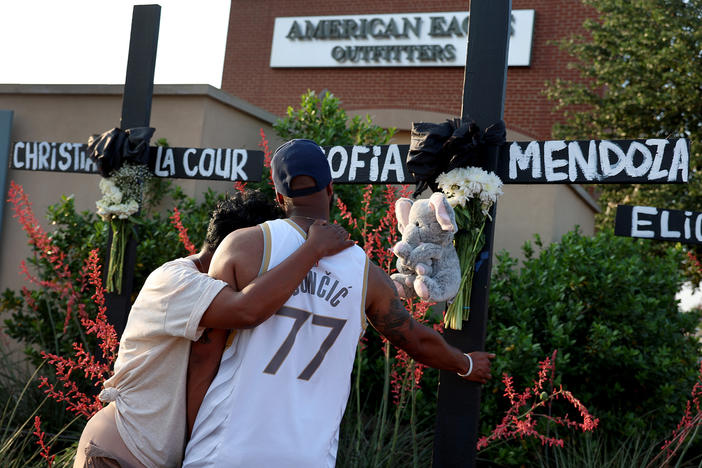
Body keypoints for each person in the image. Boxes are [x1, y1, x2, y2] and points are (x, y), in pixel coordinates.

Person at [183, 139, 495, 467]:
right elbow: (414, 338)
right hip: (309, 456)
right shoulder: (365, 273)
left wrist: (190, 439)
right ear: (331, 189)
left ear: (279, 197)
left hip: (225, 449)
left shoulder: (241, 247)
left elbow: (204, 357)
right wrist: (466, 363)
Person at [73, 189, 354, 468]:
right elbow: (247, 309)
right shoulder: (177, 281)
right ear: (237, 245)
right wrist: (312, 249)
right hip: (119, 452)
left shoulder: (208, 288)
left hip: (150, 454)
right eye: (265, 254)